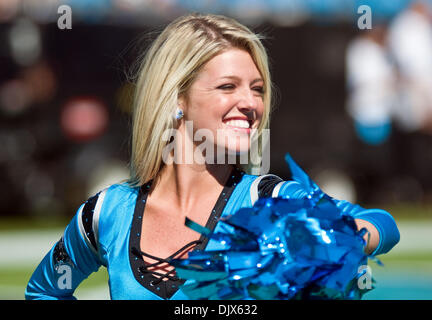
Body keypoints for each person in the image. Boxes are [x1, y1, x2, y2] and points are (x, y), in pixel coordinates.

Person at [25, 13, 400, 300]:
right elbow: (43, 291)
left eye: (257, 89)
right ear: (176, 99)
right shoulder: (107, 213)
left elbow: (381, 224)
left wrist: (336, 238)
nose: (250, 103)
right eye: (228, 86)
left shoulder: (268, 202)